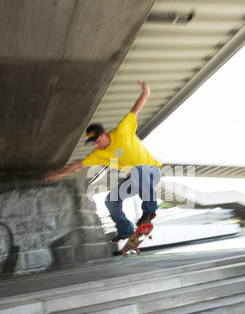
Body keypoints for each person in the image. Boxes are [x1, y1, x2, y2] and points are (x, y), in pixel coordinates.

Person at [45, 82, 162, 242]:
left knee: (137, 170)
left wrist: (145, 93)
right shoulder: (98, 154)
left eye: (98, 140)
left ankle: (149, 212)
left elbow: (135, 110)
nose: (97, 145)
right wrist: (59, 174)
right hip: (135, 179)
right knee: (111, 200)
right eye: (94, 143)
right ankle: (126, 230)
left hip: (151, 172)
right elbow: (79, 164)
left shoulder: (122, 130)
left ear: (105, 134)